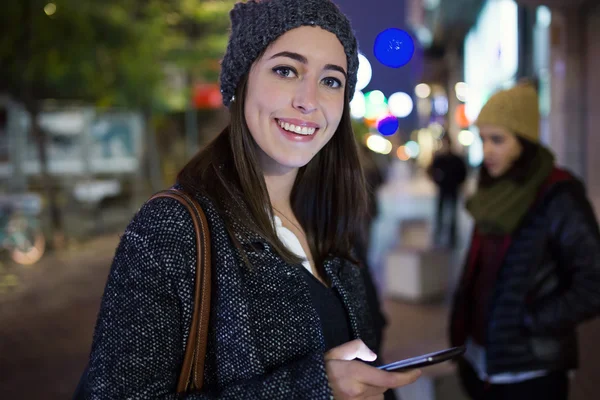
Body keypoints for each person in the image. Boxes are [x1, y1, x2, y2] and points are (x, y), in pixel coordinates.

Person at [80, 0, 421, 398]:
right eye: (286, 70)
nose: (308, 100)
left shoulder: (333, 222)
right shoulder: (171, 231)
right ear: (241, 81)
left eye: (331, 80)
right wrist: (312, 389)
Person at [449, 83, 600, 400]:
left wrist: (531, 319)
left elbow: (593, 282)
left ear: (525, 141)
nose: (487, 150)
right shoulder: (490, 191)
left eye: (498, 139)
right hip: (481, 362)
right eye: (483, 139)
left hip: (533, 369)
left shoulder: (559, 195)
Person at [428, 132, 467, 248]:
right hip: (442, 189)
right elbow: (430, 171)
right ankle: (438, 235)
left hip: (453, 189)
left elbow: (462, 173)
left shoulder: (456, 158)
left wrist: (459, 182)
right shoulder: (439, 158)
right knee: (440, 213)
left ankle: (452, 237)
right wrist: (437, 180)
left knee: (453, 214)